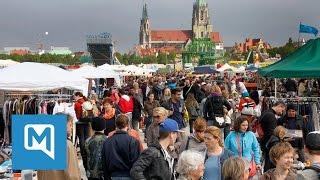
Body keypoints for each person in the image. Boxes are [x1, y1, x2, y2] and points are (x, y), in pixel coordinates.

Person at [37, 114, 81, 180]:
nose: (71, 128)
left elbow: (39, 173)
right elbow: (73, 175)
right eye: (70, 125)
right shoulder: (67, 145)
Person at [102, 114, 141, 180]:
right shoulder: (133, 141)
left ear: (116, 124)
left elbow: (104, 163)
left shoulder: (107, 141)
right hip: (129, 175)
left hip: (113, 175)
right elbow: (136, 162)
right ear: (128, 125)